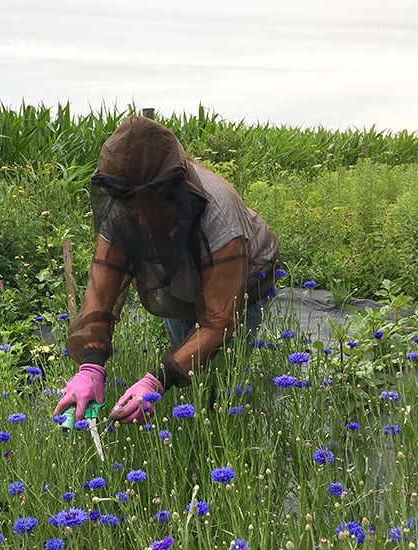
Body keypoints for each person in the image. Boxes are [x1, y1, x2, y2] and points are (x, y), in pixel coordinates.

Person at [53, 115, 279, 425]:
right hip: (180, 289)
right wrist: (91, 367)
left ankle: (223, 439)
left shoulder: (219, 214)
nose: (142, 219)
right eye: (133, 210)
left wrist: (157, 380)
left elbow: (220, 321)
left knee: (226, 390)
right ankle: (195, 434)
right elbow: (100, 296)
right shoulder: (121, 210)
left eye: (152, 206)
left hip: (240, 289)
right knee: (192, 384)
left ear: (174, 190)